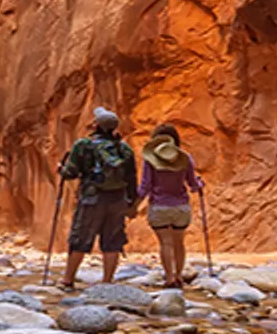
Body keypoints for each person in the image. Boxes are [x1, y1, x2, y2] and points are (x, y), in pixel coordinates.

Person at [56, 108, 137, 289]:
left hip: (91, 199)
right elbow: (131, 178)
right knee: (113, 240)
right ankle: (107, 282)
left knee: (80, 237)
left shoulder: (83, 145)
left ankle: (68, 280)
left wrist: (60, 168)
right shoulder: (124, 149)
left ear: (97, 125)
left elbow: (71, 173)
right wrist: (132, 203)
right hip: (118, 200)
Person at [139, 122, 206, 286]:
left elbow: (145, 186)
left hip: (159, 206)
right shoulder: (185, 159)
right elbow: (193, 186)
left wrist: (133, 204)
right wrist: (200, 184)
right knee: (179, 242)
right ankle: (179, 276)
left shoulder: (150, 161)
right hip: (181, 207)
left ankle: (169, 277)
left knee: (165, 243)